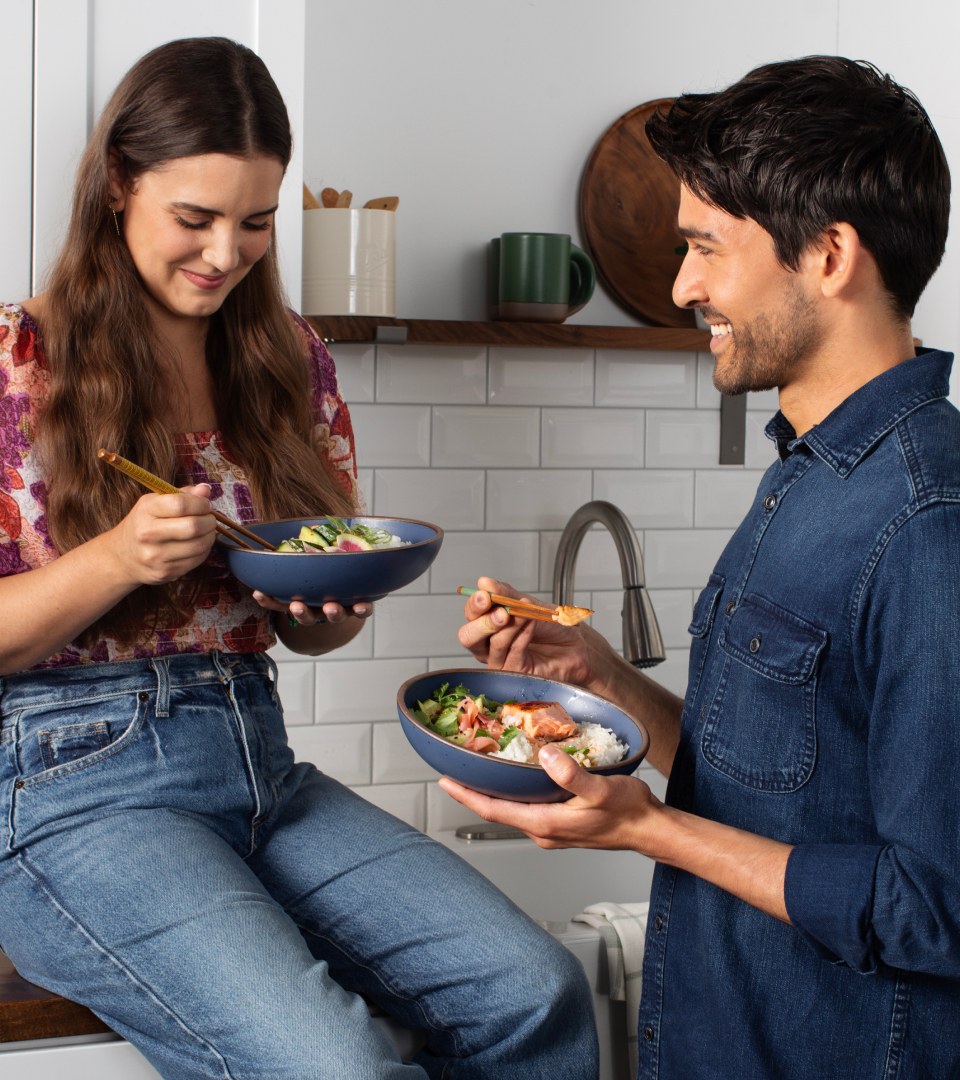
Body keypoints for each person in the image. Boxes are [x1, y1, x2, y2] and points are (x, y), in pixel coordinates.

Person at [0, 37, 598, 1080]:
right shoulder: (18, 360)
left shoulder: (289, 357)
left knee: (533, 992)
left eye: (256, 222)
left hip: (256, 760)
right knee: (340, 1067)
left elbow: (313, 619)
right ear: (116, 188)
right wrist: (116, 560)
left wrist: (329, 611)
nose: (226, 254)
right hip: (71, 798)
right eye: (195, 219)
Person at [448, 55, 960, 1078]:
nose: (684, 287)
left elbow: (934, 910)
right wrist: (609, 685)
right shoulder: (807, 474)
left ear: (830, 254)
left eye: (705, 249)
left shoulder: (927, 525)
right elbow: (791, 787)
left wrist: (652, 832)